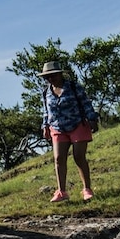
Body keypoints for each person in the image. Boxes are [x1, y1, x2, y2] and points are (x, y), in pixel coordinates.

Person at [40, 61, 99, 203]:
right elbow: (46, 111)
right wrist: (45, 126)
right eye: (47, 77)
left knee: (79, 157)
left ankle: (87, 189)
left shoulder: (73, 87)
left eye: (52, 75)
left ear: (60, 74)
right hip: (57, 128)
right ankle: (61, 191)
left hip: (77, 124)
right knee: (59, 159)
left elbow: (85, 103)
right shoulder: (46, 92)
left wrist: (92, 119)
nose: (50, 79)